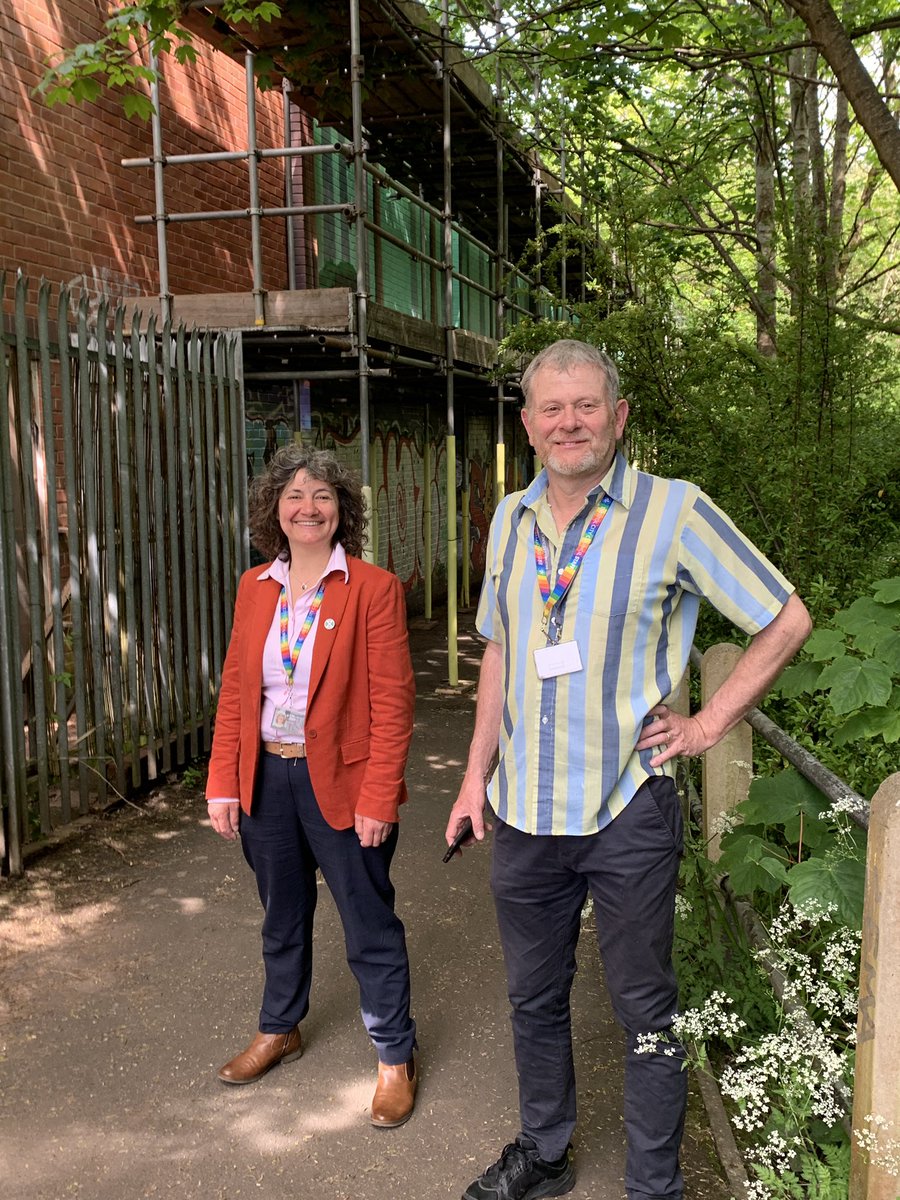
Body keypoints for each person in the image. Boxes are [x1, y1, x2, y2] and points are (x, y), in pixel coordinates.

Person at [445, 340, 812, 1200]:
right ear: (529, 424)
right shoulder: (510, 518)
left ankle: (655, 1186)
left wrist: (710, 723)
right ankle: (545, 1154)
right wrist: (472, 780)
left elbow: (785, 619)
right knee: (533, 1000)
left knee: (646, 1011)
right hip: (524, 810)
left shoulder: (675, 512)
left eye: (586, 406)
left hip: (626, 810)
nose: (568, 422)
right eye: (551, 408)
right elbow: (498, 652)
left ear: (618, 418)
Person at [207, 445, 418, 1128]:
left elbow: (393, 703)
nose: (307, 507)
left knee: (368, 923)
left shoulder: (372, 588)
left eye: (322, 494)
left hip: (344, 784)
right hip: (266, 777)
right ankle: (280, 1027)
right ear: (274, 509)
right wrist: (222, 783)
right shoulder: (254, 587)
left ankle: (393, 1057)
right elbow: (237, 693)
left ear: (341, 511)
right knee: (280, 915)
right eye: (293, 494)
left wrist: (378, 796)